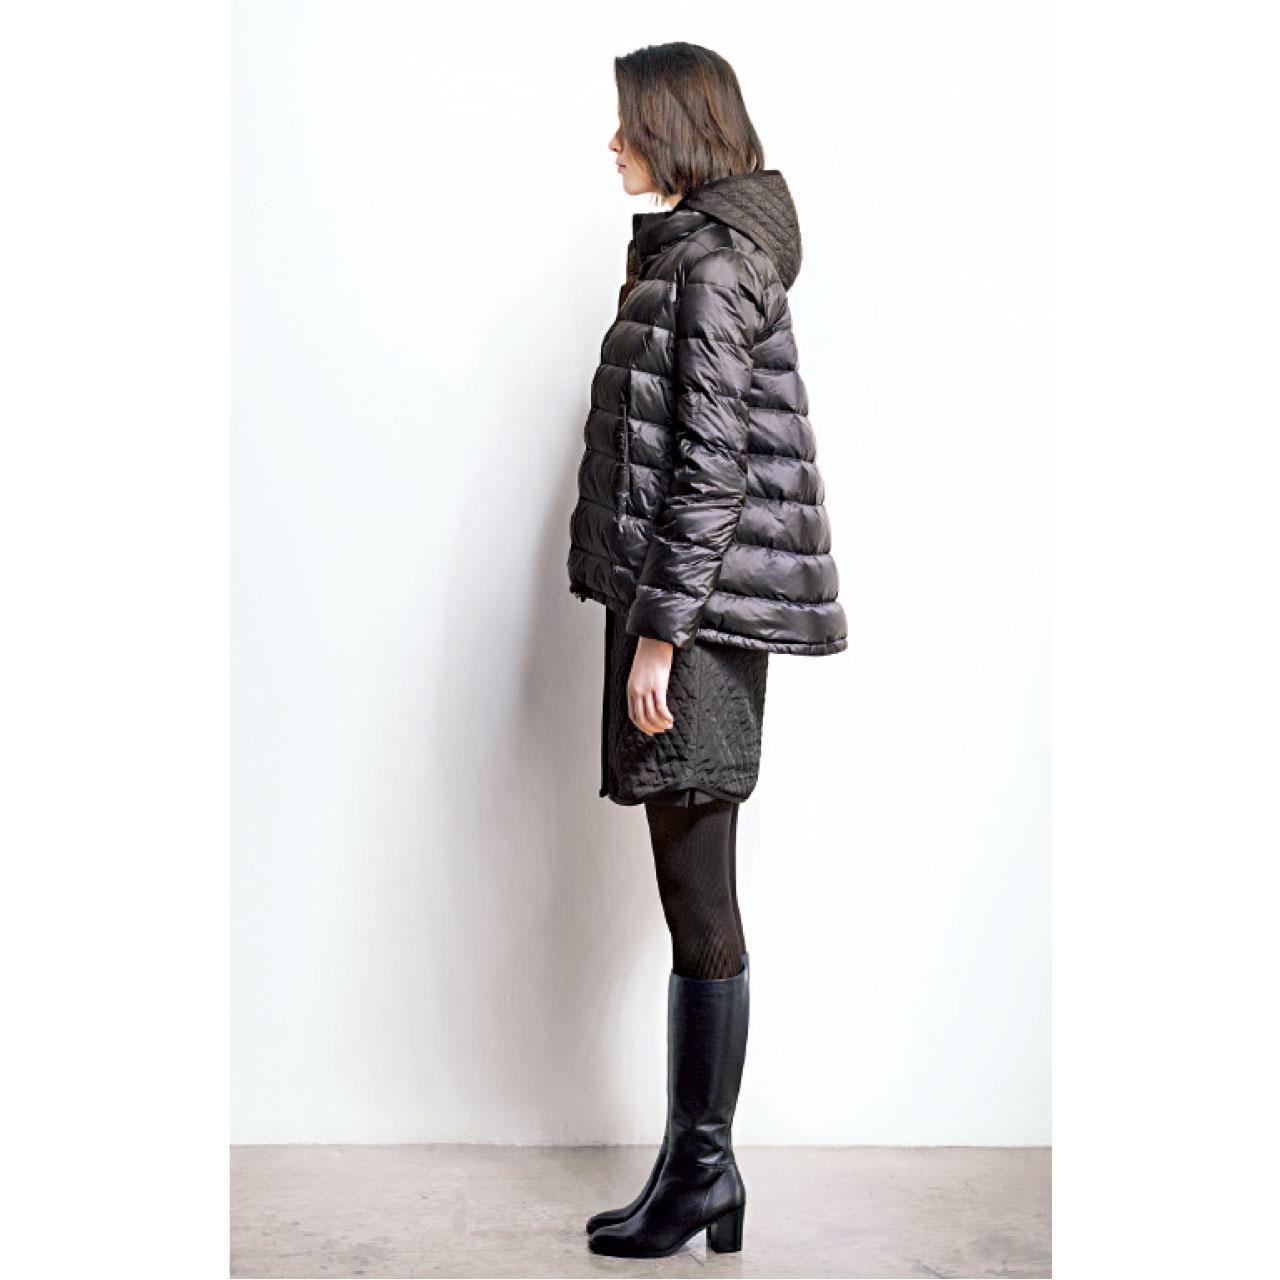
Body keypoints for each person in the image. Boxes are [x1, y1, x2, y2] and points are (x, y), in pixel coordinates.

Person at [566, 41, 848, 1260]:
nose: (611, 142)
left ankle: (701, 1170)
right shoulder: (690, 255)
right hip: (682, 614)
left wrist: (658, 638)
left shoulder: (716, 265)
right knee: (693, 893)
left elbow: (710, 470)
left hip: (699, 626)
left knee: (699, 897)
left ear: (673, 124)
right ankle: (698, 1170)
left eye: (625, 121)